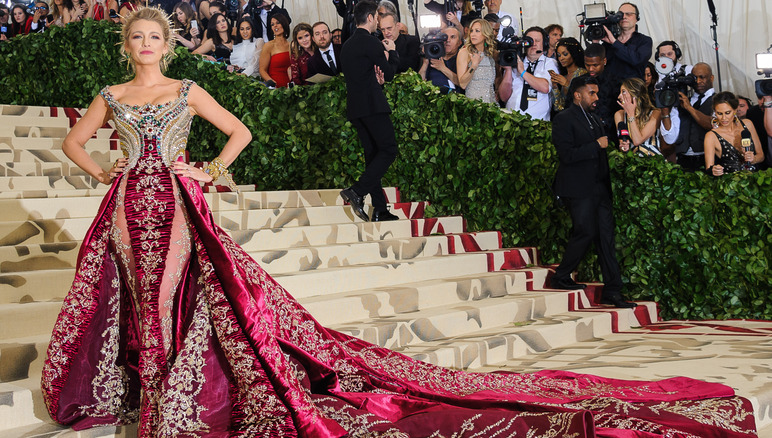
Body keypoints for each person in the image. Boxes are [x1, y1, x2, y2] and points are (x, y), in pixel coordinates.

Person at [39, 8, 763, 436]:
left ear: (166, 45)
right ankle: (141, 387)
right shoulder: (109, 92)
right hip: (126, 204)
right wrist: (104, 169)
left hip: (176, 203)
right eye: (135, 39)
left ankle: (170, 402)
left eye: (153, 39)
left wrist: (205, 169)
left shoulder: (188, 87)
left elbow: (241, 135)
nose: (145, 47)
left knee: (174, 295)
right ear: (125, 45)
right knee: (131, 294)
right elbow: (76, 141)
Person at [551, 75, 636, 308]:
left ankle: (613, 290)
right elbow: (566, 155)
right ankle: (561, 275)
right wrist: (595, 145)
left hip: (599, 187)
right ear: (577, 95)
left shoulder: (595, 118)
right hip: (578, 188)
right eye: (592, 93)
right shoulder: (564, 119)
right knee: (585, 231)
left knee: (606, 238)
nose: (596, 97)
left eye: (597, 93)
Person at [340, 0, 400, 222]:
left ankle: (380, 209)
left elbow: (365, 75)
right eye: (376, 17)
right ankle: (356, 191)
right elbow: (390, 73)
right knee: (389, 149)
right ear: (370, 18)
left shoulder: (346, 46)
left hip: (355, 108)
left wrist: (377, 78)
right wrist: (392, 52)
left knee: (373, 155)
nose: (377, 21)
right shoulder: (372, 42)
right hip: (373, 106)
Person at [659, 62, 715, 171]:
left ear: (711, 78)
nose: (698, 81)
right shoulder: (682, 101)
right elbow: (670, 137)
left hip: (707, 158)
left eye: (702, 77)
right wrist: (665, 111)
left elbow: (712, 125)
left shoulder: (718, 100)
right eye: (694, 78)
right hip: (682, 159)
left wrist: (689, 108)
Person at [498, 26, 558, 120]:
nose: (533, 44)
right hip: (512, 121)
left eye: (537, 40)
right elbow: (503, 97)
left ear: (544, 43)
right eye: (529, 40)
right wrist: (508, 70)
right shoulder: (515, 62)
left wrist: (522, 72)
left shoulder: (550, 63)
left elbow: (545, 87)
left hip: (538, 124)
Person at [704, 92, 765, 175]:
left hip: (754, 182)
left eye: (727, 113)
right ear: (715, 112)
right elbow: (709, 168)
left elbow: (761, 156)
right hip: (730, 185)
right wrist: (714, 170)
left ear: (735, 110)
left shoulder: (748, 124)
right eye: (719, 113)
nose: (724, 118)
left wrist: (753, 159)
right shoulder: (711, 136)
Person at [592, 2, 652, 80]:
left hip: (631, 90)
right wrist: (595, 44)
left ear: (637, 18)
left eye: (629, 14)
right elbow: (595, 65)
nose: (624, 17)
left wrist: (614, 42)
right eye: (620, 15)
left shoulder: (645, 41)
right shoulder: (607, 43)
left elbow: (636, 60)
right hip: (607, 89)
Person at [614, 77, 663, 156]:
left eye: (623, 92)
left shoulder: (655, 113)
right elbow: (623, 140)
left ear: (635, 94)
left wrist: (630, 114)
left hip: (653, 161)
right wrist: (623, 146)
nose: (619, 96)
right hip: (632, 161)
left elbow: (637, 140)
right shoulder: (619, 115)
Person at [583, 43, 620, 138]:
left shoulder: (615, 82)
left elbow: (620, 110)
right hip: (584, 133)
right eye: (587, 65)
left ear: (604, 61)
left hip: (610, 134)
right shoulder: (579, 83)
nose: (591, 69)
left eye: (595, 65)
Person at [457, 18, 497, 105]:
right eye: (471, 31)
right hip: (474, 106)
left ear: (485, 34)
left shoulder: (491, 53)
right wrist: (473, 66)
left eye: (477, 31)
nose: (473, 34)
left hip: (491, 105)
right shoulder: (464, 52)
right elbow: (462, 84)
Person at [419, 25, 462, 93]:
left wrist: (442, 68)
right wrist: (425, 62)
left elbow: (463, 83)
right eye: (445, 37)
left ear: (459, 43)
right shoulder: (433, 56)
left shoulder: (462, 59)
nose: (448, 40)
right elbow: (419, 83)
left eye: (452, 37)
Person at [550, 37, 587, 114]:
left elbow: (582, 101)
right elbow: (559, 107)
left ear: (573, 53)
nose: (561, 58)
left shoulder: (583, 73)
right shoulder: (563, 75)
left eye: (565, 54)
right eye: (559, 55)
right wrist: (555, 87)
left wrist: (567, 85)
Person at [258, 13, 290, 87]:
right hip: (275, 89)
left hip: (292, 87)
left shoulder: (291, 45)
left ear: (284, 24)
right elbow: (262, 70)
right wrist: (271, 83)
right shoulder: (268, 46)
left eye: (278, 23)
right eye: (272, 24)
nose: (275, 26)